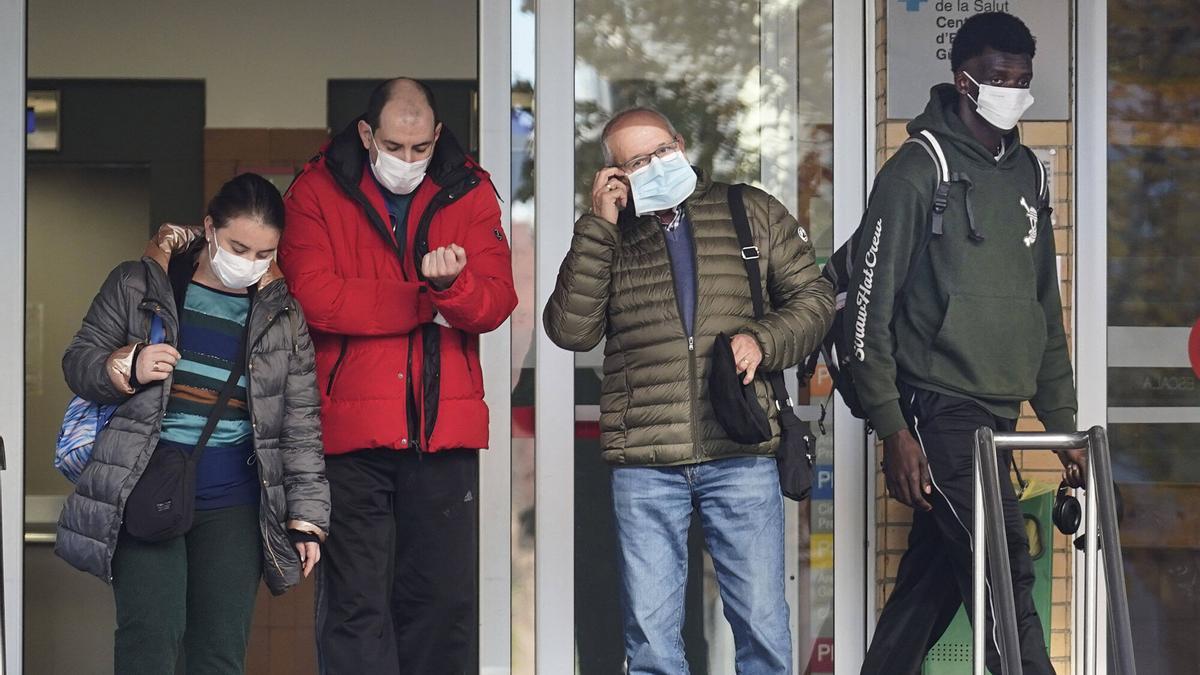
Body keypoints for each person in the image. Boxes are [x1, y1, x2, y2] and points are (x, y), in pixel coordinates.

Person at [544, 107, 835, 674]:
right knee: (651, 638)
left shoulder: (746, 209)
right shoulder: (610, 237)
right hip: (646, 461)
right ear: (614, 177)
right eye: (633, 163)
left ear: (679, 143)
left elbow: (815, 300)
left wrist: (763, 338)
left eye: (659, 152)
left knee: (761, 625)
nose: (652, 167)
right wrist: (598, 224)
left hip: (740, 449)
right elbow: (570, 330)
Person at [850, 12, 1087, 675]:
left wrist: (1063, 429)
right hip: (942, 410)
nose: (1013, 90)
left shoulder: (1031, 177)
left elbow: (1044, 312)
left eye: (1023, 79)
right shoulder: (914, 171)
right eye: (999, 78)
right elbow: (868, 310)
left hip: (1000, 413)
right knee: (1004, 572)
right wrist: (893, 426)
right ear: (964, 81)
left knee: (928, 590)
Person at [278, 77, 516, 674]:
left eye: (419, 148)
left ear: (437, 136)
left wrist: (453, 289)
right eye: (393, 145)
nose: (407, 160)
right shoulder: (314, 190)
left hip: (442, 437)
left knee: (441, 608)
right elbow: (315, 298)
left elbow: (494, 303)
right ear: (366, 133)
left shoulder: (472, 190)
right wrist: (425, 298)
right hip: (350, 438)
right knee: (355, 608)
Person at [57, 173, 330, 674]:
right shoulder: (141, 284)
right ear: (208, 228)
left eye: (264, 254)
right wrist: (129, 365)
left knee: (219, 653)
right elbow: (78, 361)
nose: (248, 263)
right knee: (151, 640)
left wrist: (306, 518)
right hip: (146, 482)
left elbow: (300, 423)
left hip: (235, 502)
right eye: (237, 246)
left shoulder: (282, 316)